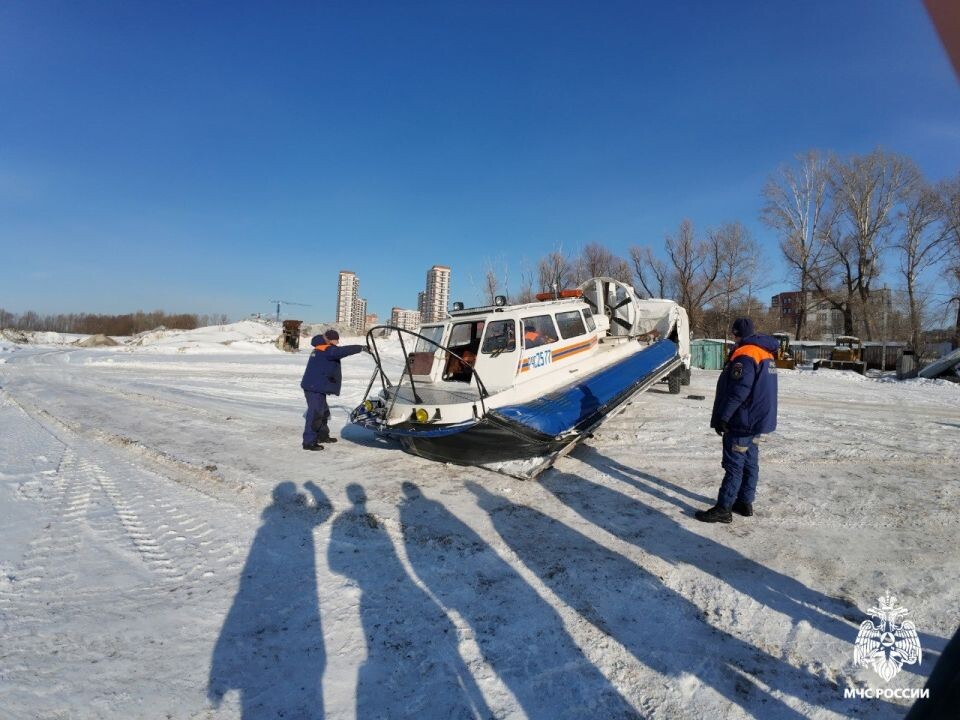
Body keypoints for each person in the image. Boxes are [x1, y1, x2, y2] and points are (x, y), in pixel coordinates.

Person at [696, 318, 779, 523]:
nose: (733, 338)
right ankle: (744, 502)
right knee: (750, 462)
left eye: (734, 334)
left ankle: (724, 508)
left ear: (738, 334)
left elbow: (739, 389)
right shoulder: (765, 352)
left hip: (743, 419)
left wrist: (724, 417)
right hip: (757, 420)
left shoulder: (746, 353)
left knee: (734, 464)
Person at [300, 329, 367, 450]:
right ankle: (308, 442)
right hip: (314, 387)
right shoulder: (326, 349)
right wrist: (360, 348)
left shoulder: (322, 347)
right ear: (331, 339)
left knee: (323, 412)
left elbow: (336, 351)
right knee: (315, 414)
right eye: (336, 340)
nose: (337, 342)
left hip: (316, 386)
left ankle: (322, 435)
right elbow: (341, 351)